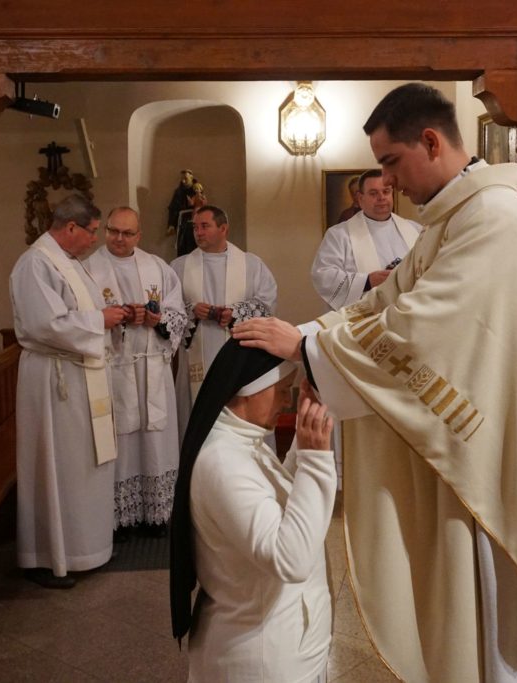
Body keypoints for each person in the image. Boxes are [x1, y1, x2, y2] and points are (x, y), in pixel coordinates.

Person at [234, 83, 517, 681]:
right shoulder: (454, 219)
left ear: (431, 142)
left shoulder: (493, 219)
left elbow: (420, 331)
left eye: (391, 162)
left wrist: (309, 348)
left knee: (498, 610)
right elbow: (382, 302)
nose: (388, 182)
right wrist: (306, 335)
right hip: (472, 440)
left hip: (496, 456)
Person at [170, 339, 336, 682]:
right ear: (250, 389)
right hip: (261, 658)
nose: (286, 401)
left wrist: (302, 445)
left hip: (283, 644)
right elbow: (290, 559)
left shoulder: (241, 442)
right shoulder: (223, 462)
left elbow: (280, 500)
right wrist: (315, 460)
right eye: (282, 390)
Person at [9, 195, 125, 590]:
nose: (95, 239)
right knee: (58, 464)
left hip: (79, 374)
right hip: (54, 380)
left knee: (86, 463)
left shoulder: (69, 262)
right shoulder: (36, 264)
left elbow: (80, 314)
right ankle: (49, 556)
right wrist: (101, 320)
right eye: (91, 231)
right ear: (71, 227)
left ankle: (89, 546)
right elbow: (45, 325)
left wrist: (109, 318)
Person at [86, 206, 188, 539]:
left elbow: (178, 314)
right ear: (105, 231)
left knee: (155, 440)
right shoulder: (88, 270)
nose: (119, 238)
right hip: (114, 368)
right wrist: (117, 317)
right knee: (121, 442)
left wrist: (156, 320)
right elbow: (83, 317)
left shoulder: (157, 268)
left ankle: (156, 515)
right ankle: (121, 517)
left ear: (138, 235)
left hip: (152, 367)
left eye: (127, 233)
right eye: (113, 231)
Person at [171, 205, 278, 438]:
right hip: (198, 354)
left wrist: (235, 313)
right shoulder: (179, 267)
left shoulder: (251, 265)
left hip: (239, 353)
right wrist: (191, 310)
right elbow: (169, 310)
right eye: (195, 227)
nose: (198, 232)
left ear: (223, 229)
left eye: (205, 226)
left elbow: (267, 303)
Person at [312, 168, 423, 311]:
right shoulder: (339, 235)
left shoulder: (416, 229)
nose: (381, 197)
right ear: (360, 198)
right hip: (365, 316)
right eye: (373, 193)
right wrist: (367, 281)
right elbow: (323, 276)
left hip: (410, 312)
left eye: (386, 191)